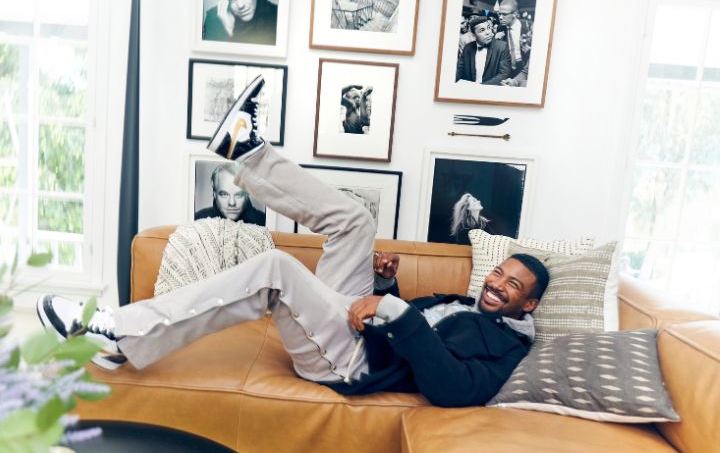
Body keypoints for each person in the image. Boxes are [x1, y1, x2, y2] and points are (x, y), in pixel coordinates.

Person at [37, 76, 549, 408]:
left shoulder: (508, 346)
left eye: (513, 285)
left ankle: (117, 331)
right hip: (362, 330)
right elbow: (412, 325)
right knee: (355, 221)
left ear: (529, 304)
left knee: (278, 268)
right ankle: (247, 150)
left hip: (352, 362)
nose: (496, 283)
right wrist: (384, 287)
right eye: (499, 273)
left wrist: (392, 311)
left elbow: (451, 387)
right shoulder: (467, 306)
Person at [194, 162, 266, 226]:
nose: (232, 203)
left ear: (247, 194)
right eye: (224, 194)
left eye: (239, 195)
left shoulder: (264, 221)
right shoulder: (198, 220)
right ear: (214, 193)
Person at [203, 0, 278, 45]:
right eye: (232, 0)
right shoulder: (213, 19)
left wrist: (232, 35)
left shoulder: (277, 16)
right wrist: (228, 30)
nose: (240, 5)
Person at [456, 16, 511, 85]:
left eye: (488, 28)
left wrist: (481, 87)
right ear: (474, 35)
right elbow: (459, 70)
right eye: (482, 30)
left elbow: (504, 74)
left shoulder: (502, 46)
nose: (488, 32)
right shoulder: (468, 48)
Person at [494, 0, 533, 79]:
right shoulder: (500, 28)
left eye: (504, 14)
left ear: (515, 14)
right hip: (507, 67)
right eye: (499, 14)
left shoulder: (528, 27)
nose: (500, 17)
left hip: (524, 66)